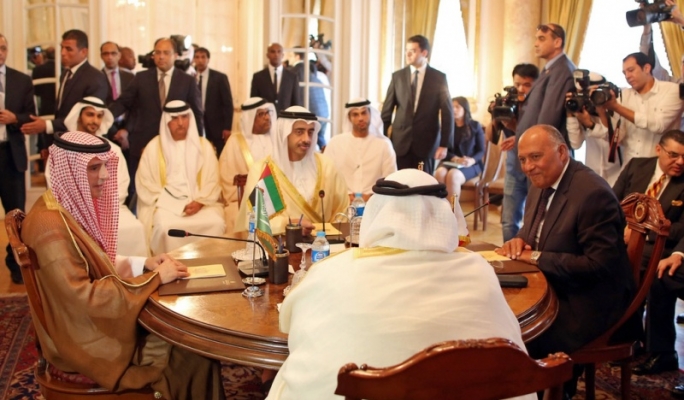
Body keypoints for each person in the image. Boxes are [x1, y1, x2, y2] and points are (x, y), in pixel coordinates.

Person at [266, 169, 533, 400]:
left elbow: (289, 323)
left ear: (377, 213)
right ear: (441, 214)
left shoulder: (332, 271)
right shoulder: (479, 270)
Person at [21, 131, 224, 399]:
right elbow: (86, 298)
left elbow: (92, 262)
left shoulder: (59, 207)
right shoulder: (51, 227)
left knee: (192, 342)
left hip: (85, 325)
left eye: (104, 166)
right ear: (70, 171)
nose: (105, 176)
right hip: (84, 343)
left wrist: (145, 264)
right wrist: (154, 278)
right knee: (196, 353)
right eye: (94, 168)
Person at [497, 124, 635, 397]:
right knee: (499, 315)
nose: (528, 167)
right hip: (557, 284)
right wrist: (519, 240)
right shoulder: (542, 181)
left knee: (518, 336)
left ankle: (555, 391)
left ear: (562, 152)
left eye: (535, 157)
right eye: (523, 159)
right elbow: (532, 230)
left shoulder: (592, 194)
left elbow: (599, 266)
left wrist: (535, 256)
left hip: (589, 300)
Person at [611, 130, 684, 377]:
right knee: (603, 262)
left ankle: (659, 351)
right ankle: (626, 339)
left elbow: (681, 228)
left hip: (662, 247)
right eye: (673, 155)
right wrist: (623, 228)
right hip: (623, 239)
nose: (680, 162)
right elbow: (613, 203)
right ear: (658, 149)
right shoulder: (637, 166)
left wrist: (641, 231)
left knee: (650, 271)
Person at [502, 24, 576, 243]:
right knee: (517, 217)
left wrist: (528, 145)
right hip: (528, 152)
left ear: (557, 42)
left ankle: (525, 258)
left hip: (539, 155)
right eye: (536, 38)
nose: (536, 43)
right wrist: (519, 137)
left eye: (542, 38)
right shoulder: (550, 69)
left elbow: (548, 119)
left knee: (536, 218)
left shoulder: (563, 70)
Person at [109, 37, 203, 199]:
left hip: (175, 144)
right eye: (157, 53)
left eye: (166, 53)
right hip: (142, 142)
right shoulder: (141, 78)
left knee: (170, 187)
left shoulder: (186, 81)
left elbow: (196, 112)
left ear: (175, 55)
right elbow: (123, 102)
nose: (161, 57)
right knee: (138, 190)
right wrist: (103, 117)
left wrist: (199, 140)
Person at [235, 106, 348, 236]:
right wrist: (288, 224)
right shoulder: (262, 170)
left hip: (324, 243)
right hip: (279, 243)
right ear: (284, 133)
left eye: (310, 132)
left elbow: (342, 211)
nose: (307, 139)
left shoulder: (327, 166)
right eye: (299, 132)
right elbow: (254, 219)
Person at [61, 97, 148, 257]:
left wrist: (102, 205)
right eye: (90, 114)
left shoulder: (113, 150)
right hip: (73, 211)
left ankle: (134, 271)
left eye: (99, 116)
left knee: (135, 228)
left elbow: (122, 186)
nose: (95, 120)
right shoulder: (63, 148)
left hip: (111, 208)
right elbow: (58, 188)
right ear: (79, 116)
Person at [136, 100, 223, 255]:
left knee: (216, 224)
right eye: (175, 118)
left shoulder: (203, 147)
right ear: (166, 122)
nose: (181, 123)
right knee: (164, 228)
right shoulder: (153, 147)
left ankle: (209, 265)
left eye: (184, 117)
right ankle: (169, 266)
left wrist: (200, 202)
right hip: (166, 206)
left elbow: (213, 181)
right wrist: (175, 205)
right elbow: (146, 185)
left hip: (199, 203)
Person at [21, 29, 108, 149]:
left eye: (68, 49)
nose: (62, 53)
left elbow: (88, 119)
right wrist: (50, 145)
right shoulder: (66, 73)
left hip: (81, 146)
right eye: (62, 48)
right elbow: (60, 112)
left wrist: (47, 125)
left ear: (83, 52)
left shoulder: (95, 78)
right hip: (62, 143)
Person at [381, 34, 454, 175]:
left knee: (422, 183)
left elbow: (447, 113)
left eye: (413, 51)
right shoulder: (397, 77)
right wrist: (383, 139)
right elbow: (386, 111)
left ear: (424, 53)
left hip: (426, 144)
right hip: (400, 142)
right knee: (400, 182)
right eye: (406, 50)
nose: (408, 54)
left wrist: (444, 145)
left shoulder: (438, 78)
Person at [599, 52, 682, 167]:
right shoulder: (624, 95)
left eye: (631, 70)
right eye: (624, 73)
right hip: (629, 166)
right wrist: (601, 110)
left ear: (646, 68)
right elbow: (618, 137)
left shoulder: (672, 90)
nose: (627, 76)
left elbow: (659, 125)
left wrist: (617, 107)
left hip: (659, 166)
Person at [0, 33, 35, 284]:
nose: (0, 52)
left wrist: (15, 119)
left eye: (3, 48)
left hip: (10, 155)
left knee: (15, 215)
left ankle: (15, 263)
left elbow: (30, 115)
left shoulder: (21, 80)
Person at [219, 97, 276, 234]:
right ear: (250, 118)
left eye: (267, 112)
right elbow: (227, 178)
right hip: (243, 200)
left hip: (276, 198)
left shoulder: (276, 140)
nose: (267, 117)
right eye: (261, 114)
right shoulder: (234, 142)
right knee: (236, 218)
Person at [324, 98, 396, 201]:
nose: (361, 118)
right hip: (342, 203)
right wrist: (344, 196)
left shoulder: (384, 145)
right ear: (349, 118)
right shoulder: (335, 143)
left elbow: (391, 179)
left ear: (370, 114)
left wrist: (372, 197)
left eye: (364, 113)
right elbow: (327, 177)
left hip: (375, 203)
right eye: (355, 114)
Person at [566, 72, 623, 186]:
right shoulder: (583, 111)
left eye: (589, 95)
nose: (586, 100)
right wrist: (570, 113)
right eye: (581, 95)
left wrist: (596, 117)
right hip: (593, 176)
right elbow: (575, 144)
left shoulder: (616, 108)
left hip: (617, 175)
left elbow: (615, 139)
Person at [433, 97, 485, 199]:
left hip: (470, 164)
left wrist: (471, 160)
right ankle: (441, 207)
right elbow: (443, 149)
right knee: (439, 173)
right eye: (452, 107)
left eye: (457, 107)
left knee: (453, 175)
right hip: (450, 161)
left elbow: (481, 151)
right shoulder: (447, 127)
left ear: (465, 108)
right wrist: (455, 158)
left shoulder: (475, 126)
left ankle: (453, 207)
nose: (454, 109)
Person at [194, 47, 234, 155]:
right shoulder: (189, 77)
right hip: (197, 123)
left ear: (208, 59)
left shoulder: (219, 78)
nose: (200, 60)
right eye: (197, 57)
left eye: (203, 57)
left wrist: (227, 127)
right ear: (194, 59)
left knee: (221, 154)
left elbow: (228, 103)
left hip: (217, 125)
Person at [291, 49, 329, 150]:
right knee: (320, 139)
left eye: (290, 55)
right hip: (324, 112)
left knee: (307, 141)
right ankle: (325, 151)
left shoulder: (297, 70)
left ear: (297, 56)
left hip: (311, 112)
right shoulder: (313, 71)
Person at [250, 43, 301, 113]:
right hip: (265, 117)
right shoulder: (258, 77)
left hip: (286, 117)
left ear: (282, 55)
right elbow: (253, 103)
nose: (276, 54)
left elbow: (296, 104)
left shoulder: (292, 77)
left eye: (279, 51)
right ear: (267, 55)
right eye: (273, 52)